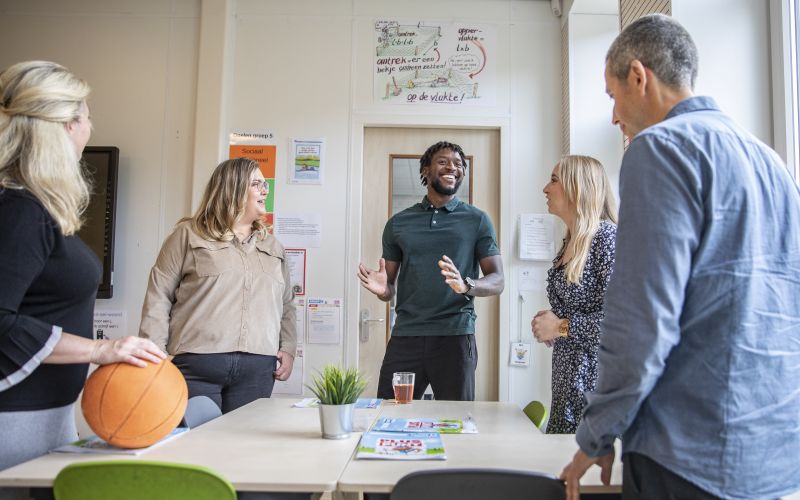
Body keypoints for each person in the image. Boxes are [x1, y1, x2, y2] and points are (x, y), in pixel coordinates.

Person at [560, 14, 800, 500]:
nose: (614, 116)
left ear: (638, 76)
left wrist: (597, 432)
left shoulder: (659, 149)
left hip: (688, 453)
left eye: (612, 96)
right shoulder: (771, 162)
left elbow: (642, 321)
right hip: (773, 452)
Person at [0, 61, 165, 473]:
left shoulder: (34, 206)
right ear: (67, 126)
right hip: (15, 419)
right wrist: (100, 349)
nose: (90, 129)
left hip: (44, 415)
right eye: (88, 118)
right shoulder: (20, 210)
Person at [139, 157, 297, 414]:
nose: (265, 190)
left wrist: (288, 349)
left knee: (244, 440)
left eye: (265, 184)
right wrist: (154, 354)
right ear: (232, 189)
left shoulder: (274, 247)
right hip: (196, 366)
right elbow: (158, 295)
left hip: (257, 369)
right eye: (256, 184)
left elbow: (287, 305)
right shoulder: (187, 235)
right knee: (196, 439)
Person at [357, 141, 504, 401]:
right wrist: (383, 289)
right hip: (406, 335)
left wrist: (466, 285)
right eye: (443, 161)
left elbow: (498, 280)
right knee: (389, 409)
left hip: (455, 336)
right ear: (425, 170)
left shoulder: (477, 220)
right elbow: (388, 290)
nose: (452, 168)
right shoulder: (398, 223)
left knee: (455, 417)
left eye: (458, 164)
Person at [531, 155, 617, 434]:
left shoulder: (607, 239)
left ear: (577, 187)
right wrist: (550, 324)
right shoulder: (570, 243)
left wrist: (560, 326)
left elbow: (624, 325)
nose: (545, 188)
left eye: (554, 180)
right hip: (567, 387)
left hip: (597, 392)